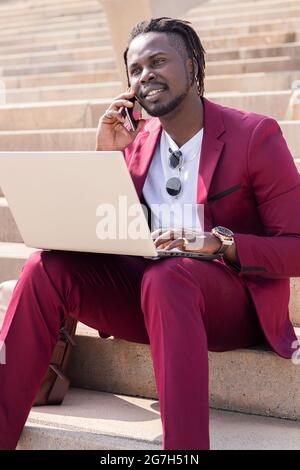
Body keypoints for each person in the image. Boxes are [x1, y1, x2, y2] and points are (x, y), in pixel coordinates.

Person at [1, 17, 300, 451]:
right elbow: (108, 232)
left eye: (159, 61)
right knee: (44, 267)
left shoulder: (254, 135)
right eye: (136, 70)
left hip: (230, 303)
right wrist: (106, 159)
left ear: (193, 66)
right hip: (151, 297)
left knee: (170, 275)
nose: (146, 76)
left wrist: (220, 242)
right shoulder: (136, 143)